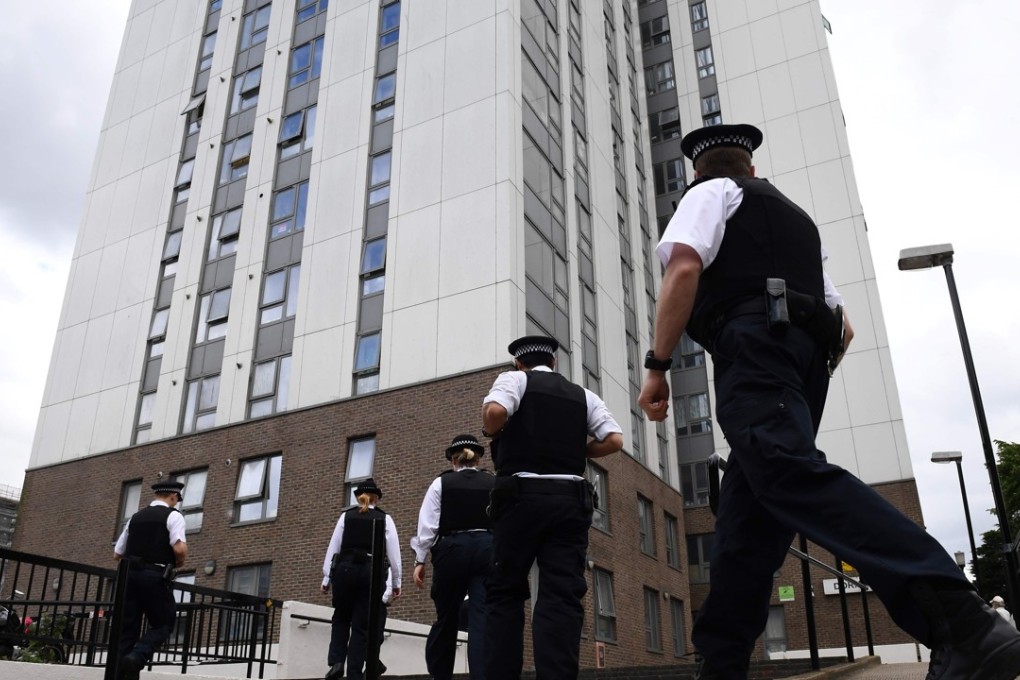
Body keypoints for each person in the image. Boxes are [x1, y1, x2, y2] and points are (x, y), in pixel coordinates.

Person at [637, 122, 1020, 680]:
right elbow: (844, 328)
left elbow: (685, 268)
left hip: (753, 352)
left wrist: (658, 366)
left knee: (788, 473)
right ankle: (721, 668)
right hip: (803, 363)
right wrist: (800, 374)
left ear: (699, 171)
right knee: (746, 529)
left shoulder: (708, 195)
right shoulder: (798, 223)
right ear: (753, 168)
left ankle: (963, 621)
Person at [482, 335, 623, 680]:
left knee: (505, 591)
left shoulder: (513, 379)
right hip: (569, 500)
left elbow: (496, 412)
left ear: (519, 362)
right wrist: (581, 450)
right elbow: (614, 440)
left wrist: (491, 429)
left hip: (520, 498)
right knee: (562, 594)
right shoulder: (582, 395)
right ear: (554, 362)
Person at [411, 434, 495, 680]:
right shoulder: (493, 482)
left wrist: (420, 560)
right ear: (478, 458)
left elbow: (427, 526)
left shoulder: (441, 483)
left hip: (452, 550)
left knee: (446, 617)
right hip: (486, 549)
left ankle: (441, 675)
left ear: (453, 460)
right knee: (481, 619)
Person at [321, 479, 402, 680]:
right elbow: (393, 554)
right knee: (361, 625)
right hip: (371, 571)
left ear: (359, 497)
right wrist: (397, 583)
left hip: (345, 570)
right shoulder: (385, 518)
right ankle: (355, 674)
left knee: (340, 616)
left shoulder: (345, 517)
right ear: (376, 498)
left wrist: (326, 577)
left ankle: (337, 662)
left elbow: (334, 548)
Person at [113, 479, 188, 680]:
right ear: (174, 496)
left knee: (127, 631)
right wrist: (179, 561)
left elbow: (117, 553)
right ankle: (138, 656)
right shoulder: (174, 516)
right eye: (176, 499)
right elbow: (179, 548)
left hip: (127, 576)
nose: (176, 503)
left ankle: (122, 674)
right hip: (154, 575)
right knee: (163, 624)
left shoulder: (135, 518)